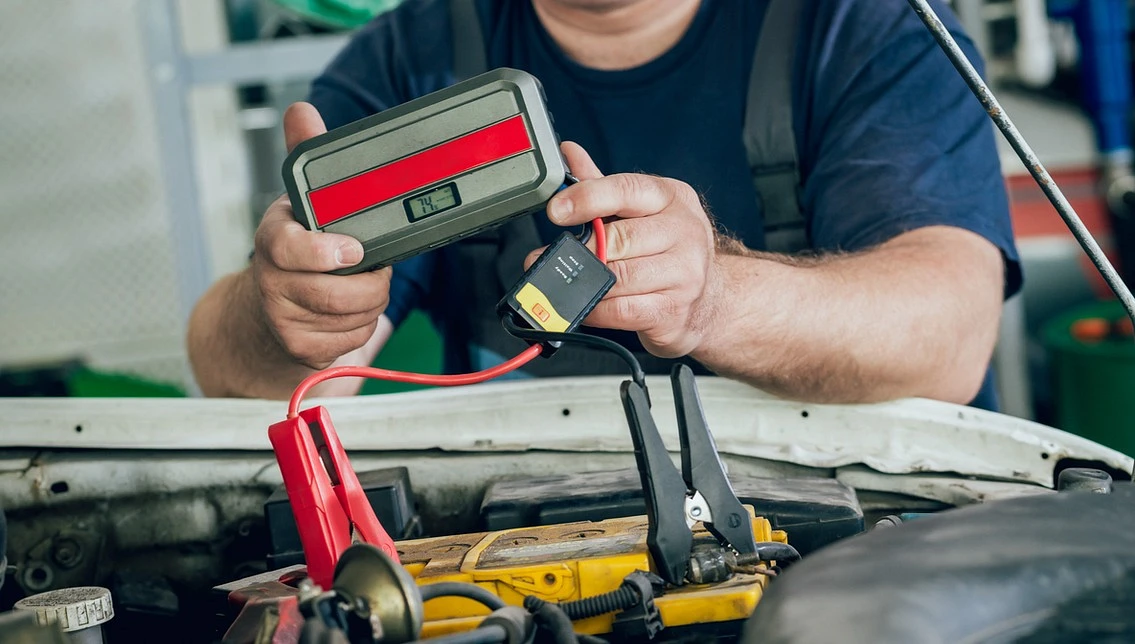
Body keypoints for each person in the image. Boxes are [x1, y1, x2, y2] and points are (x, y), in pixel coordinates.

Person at [187, 0, 1021, 411]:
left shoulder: (864, 26)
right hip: (517, 564)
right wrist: (286, 313)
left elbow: (945, 338)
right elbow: (245, 378)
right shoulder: (412, 56)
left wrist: (716, 299)